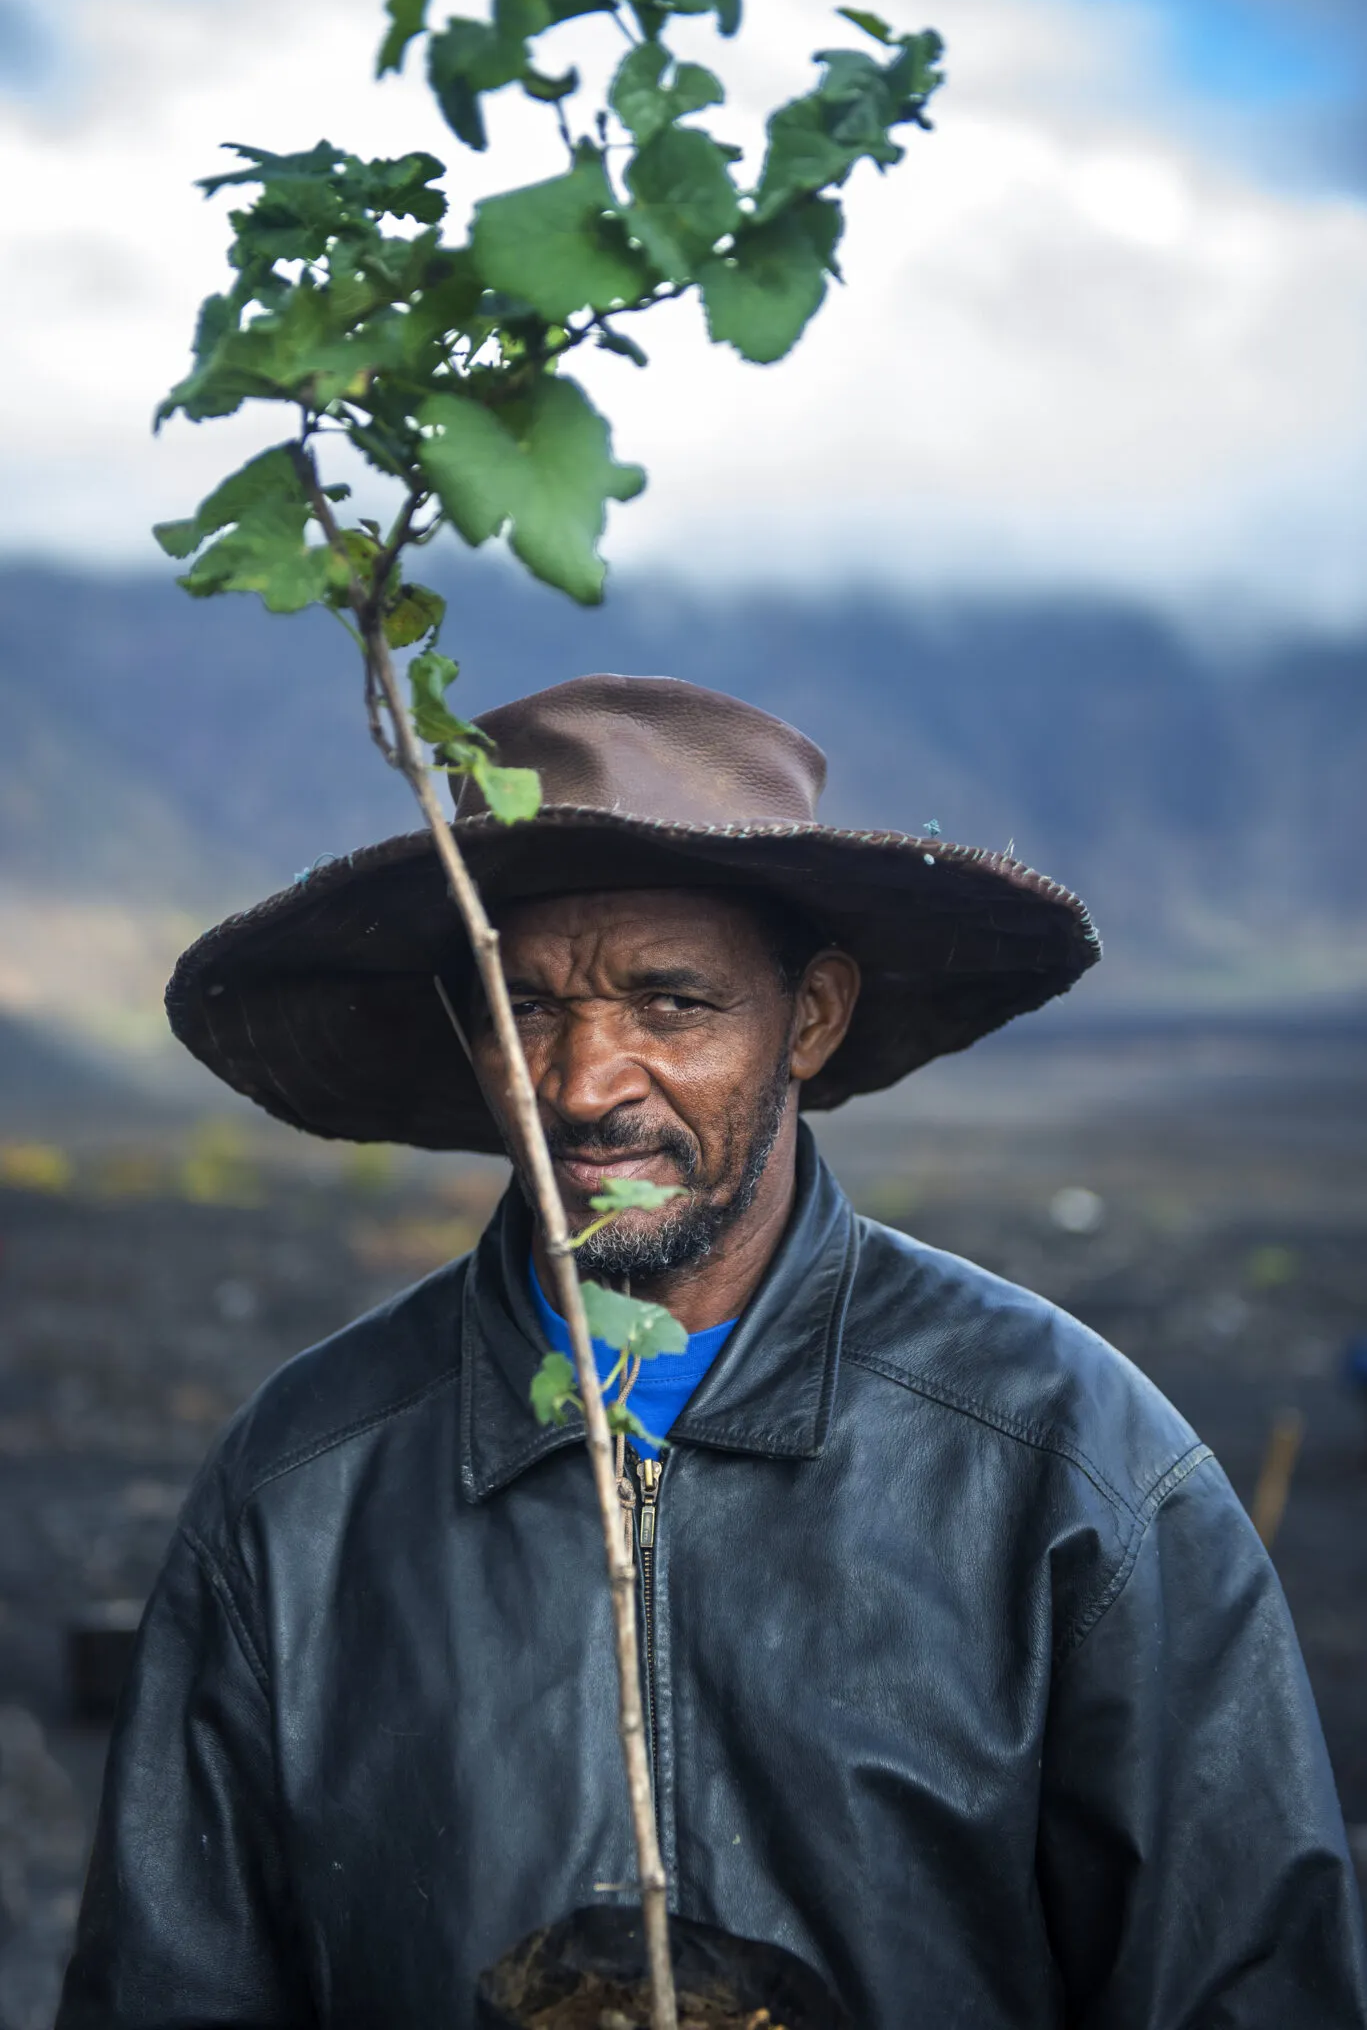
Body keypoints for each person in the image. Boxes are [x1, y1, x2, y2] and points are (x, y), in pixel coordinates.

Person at [59, 676, 1367, 2028]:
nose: (583, 1082)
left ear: (808, 1019)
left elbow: (1242, 1991)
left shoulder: (1069, 1469)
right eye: (528, 1009)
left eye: (668, 1003)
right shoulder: (302, 1492)